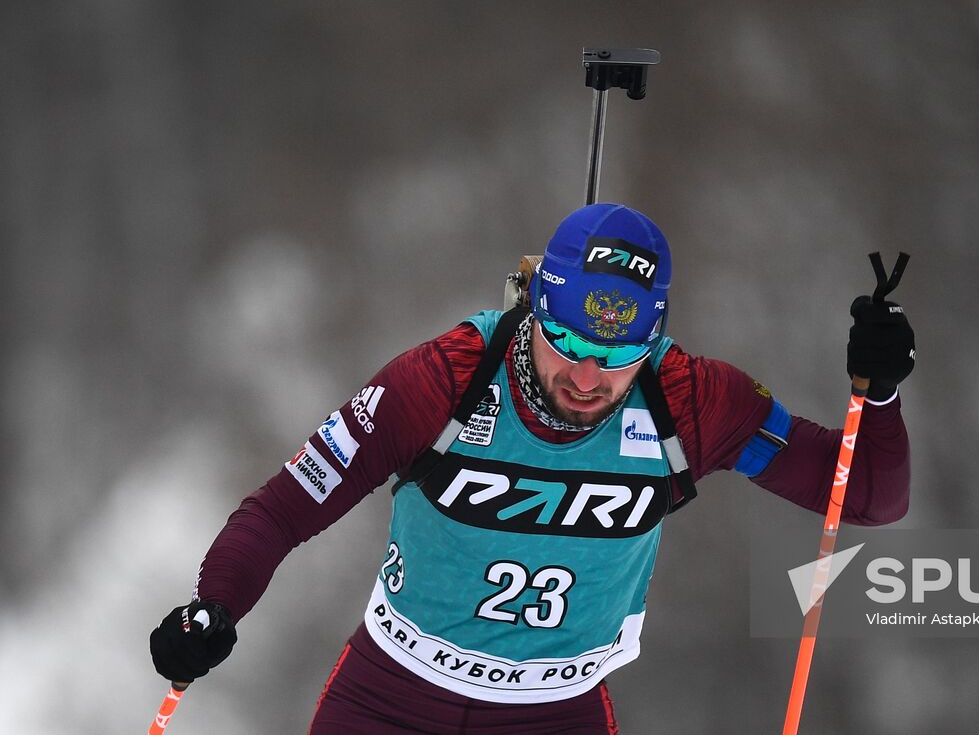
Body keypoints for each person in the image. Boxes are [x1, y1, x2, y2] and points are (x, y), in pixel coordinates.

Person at [150, 203, 915, 733]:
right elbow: (286, 506)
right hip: (390, 701)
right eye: (569, 348)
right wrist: (213, 608)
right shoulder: (444, 378)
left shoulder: (689, 400)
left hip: (558, 712)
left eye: (617, 360)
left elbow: (868, 496)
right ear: (536, 313)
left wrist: (877, 393)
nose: (588, 379)